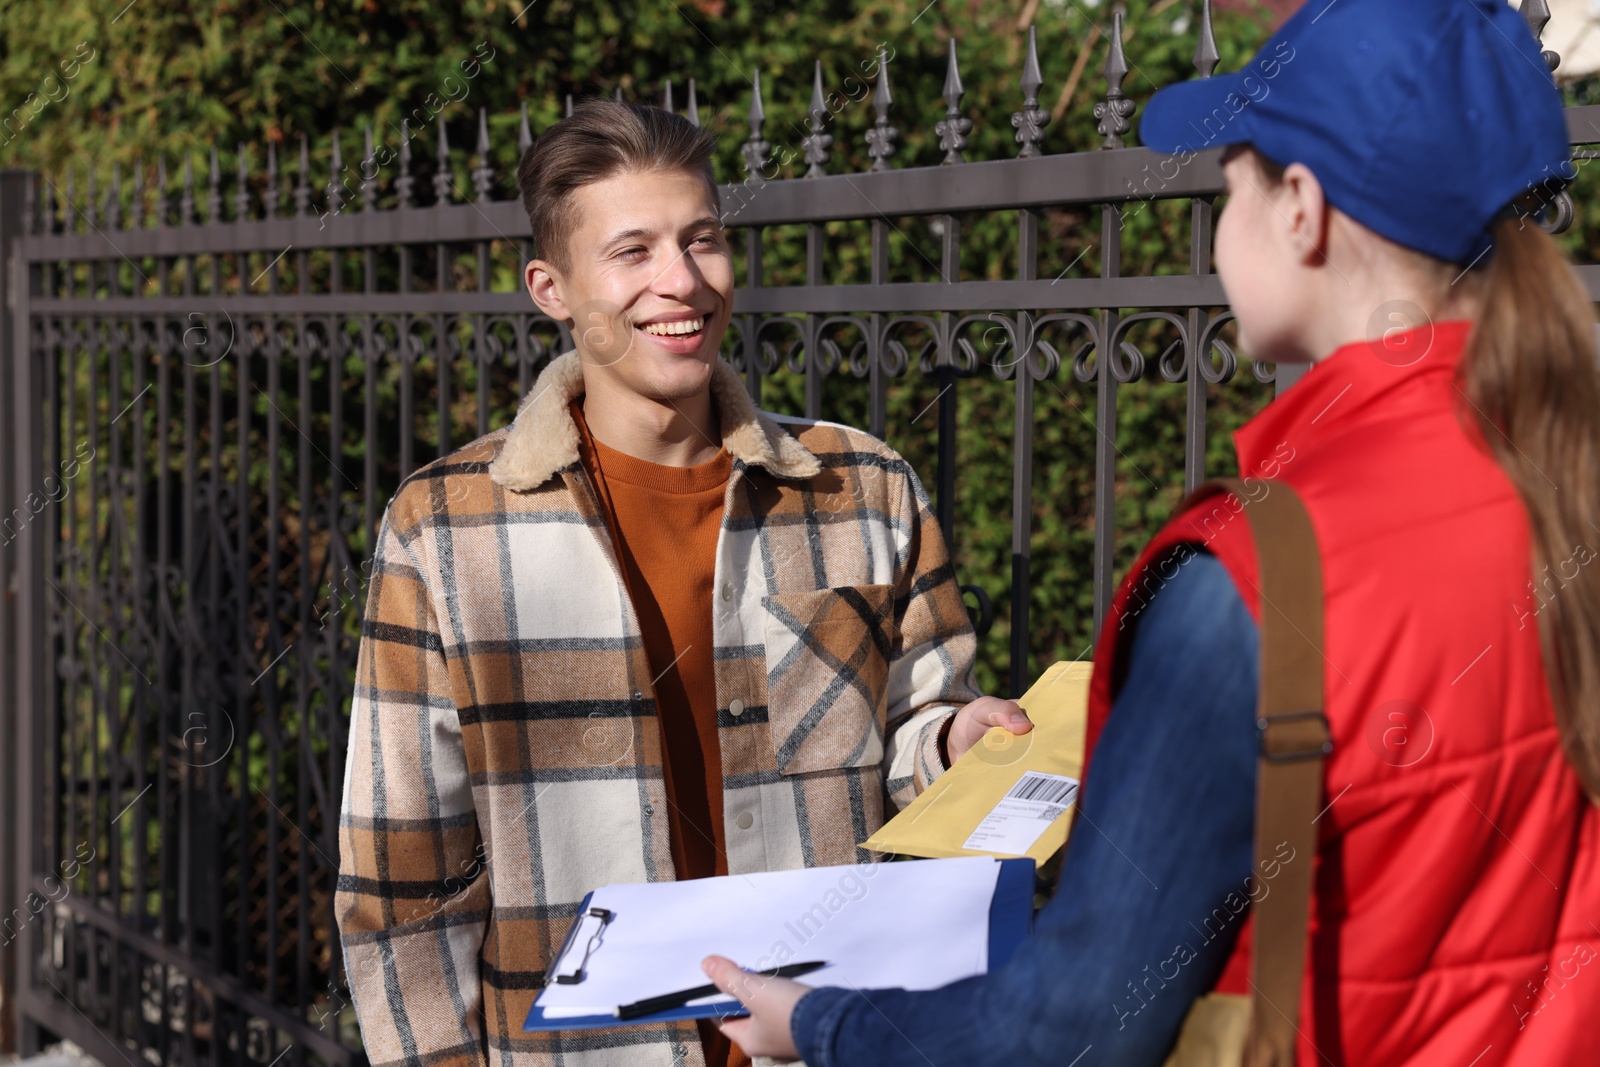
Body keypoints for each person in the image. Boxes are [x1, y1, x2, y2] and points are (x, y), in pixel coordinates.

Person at [704, 1, 1600, 1063]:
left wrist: (812, 1018)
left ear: (1301, 209)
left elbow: (1065, 1036)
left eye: (1226, 185)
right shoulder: (1562, 469)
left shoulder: (1259, 574)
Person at [334, 99, 1031, 1067]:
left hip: (824, 1035)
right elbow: (402, 865)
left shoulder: (863, 487)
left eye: (701, 239)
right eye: (634, 251)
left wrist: (957, 740)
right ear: (552, 288)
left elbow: (913, 742)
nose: (682, 280)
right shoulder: (446, 529)